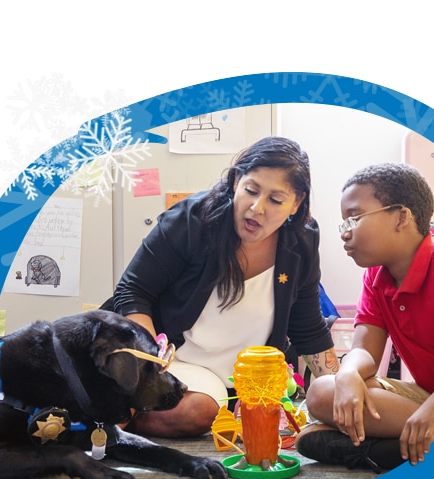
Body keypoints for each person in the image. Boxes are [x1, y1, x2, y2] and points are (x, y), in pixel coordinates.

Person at [102, 136, 339, 438]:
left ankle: (118, 412)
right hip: (169, 360)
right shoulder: (192, 220)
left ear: (296, 203)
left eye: (276, 200)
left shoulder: (302, 241)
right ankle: (110, 416)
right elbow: (132, 292)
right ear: (237, 180)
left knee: (208, 412)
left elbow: (308, 328)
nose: (257, 208)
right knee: (202, 412)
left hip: (235, 381)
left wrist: (338, 386)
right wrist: (148, 365)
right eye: (251, 190)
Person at [295, 162, 434, 471]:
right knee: (321, 391)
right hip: (429, 398)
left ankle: (389, 448)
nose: (345, 234)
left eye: (354, 218)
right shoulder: (375, 276)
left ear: (401, 217)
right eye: (343, 223)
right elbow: (365, 353)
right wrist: (348, 374)